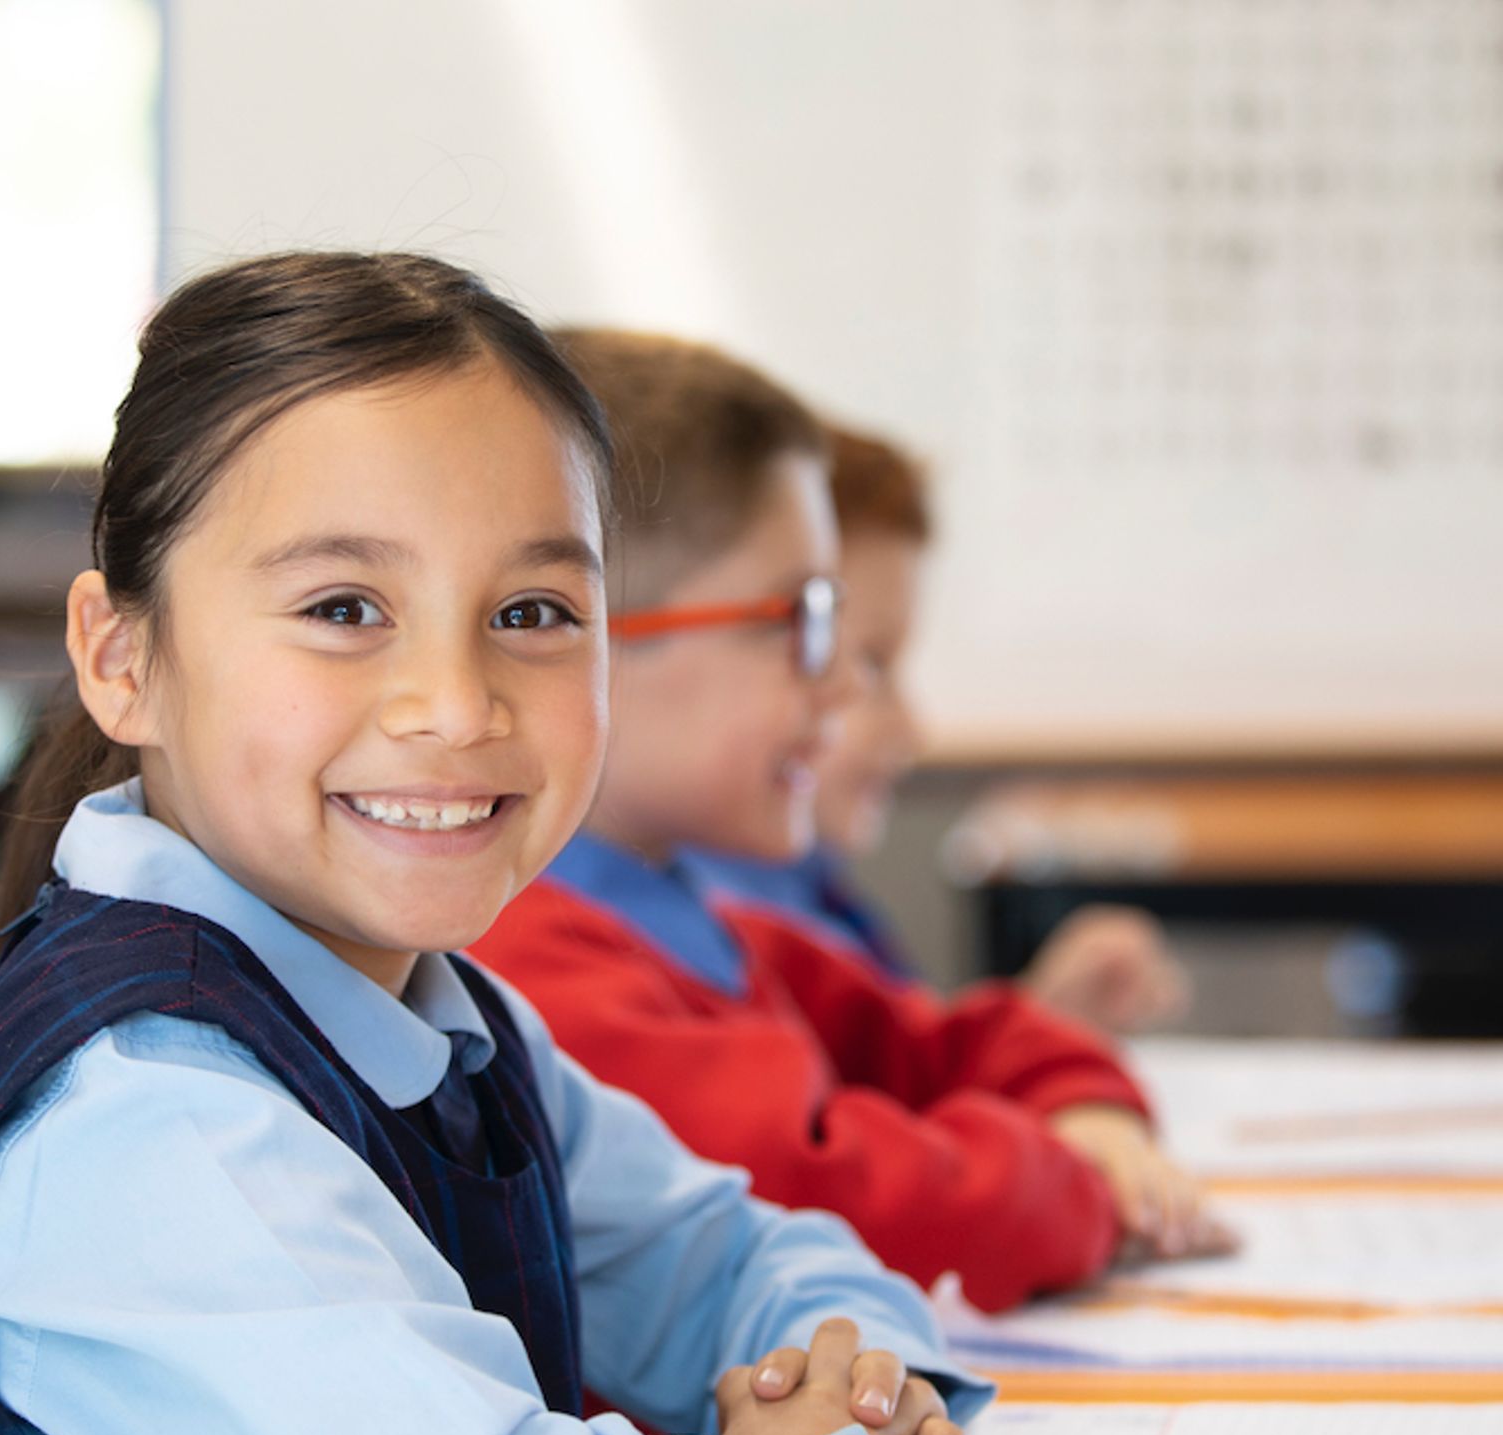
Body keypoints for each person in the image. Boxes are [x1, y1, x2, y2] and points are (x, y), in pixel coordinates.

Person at [0, 254, 979, 1435]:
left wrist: (852, 1390)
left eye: (532, 613)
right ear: (123, 661)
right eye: (343, 610)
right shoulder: (150, 1127)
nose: (455, 704)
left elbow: (747, 1263)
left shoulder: (450, 1028)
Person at [474, 331, 1232, 1318]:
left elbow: (960, 1043)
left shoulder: (717, 935)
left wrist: (1088, 1109)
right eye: (801, 622)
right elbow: (851, 1208)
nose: (842, 686)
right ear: (584, 634)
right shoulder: (535, 980)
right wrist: (1088, 1184)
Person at [690, 426, 1190, 1035]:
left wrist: (1043, 1026)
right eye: (870, 661)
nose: (912, 728)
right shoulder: (721, 929)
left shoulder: (807, 889)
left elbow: (901, 1082)